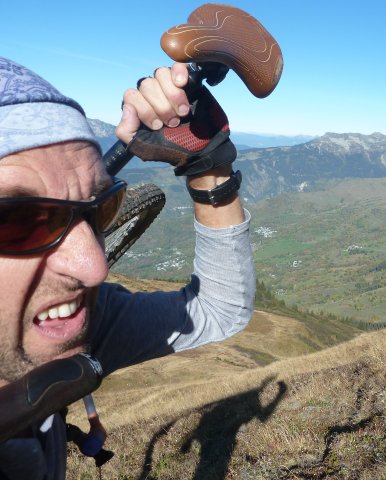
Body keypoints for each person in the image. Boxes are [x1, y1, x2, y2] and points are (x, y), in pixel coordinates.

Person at [0, 57, 255, 479]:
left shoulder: (75, 323)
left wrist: (210, 169)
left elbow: (220, 308)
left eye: (101, 207)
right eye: (19, 219)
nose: (94, 266)